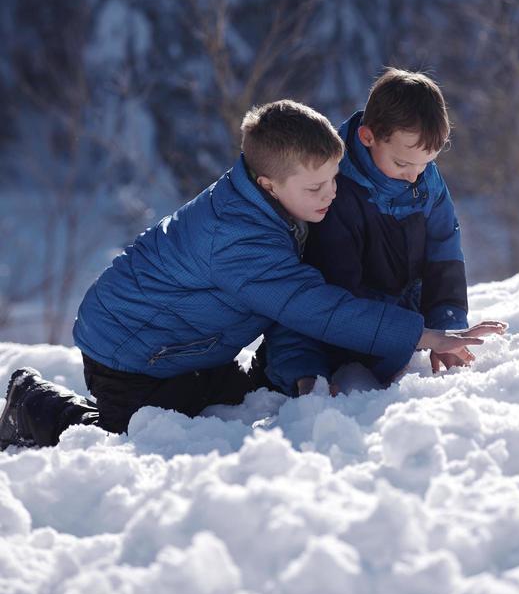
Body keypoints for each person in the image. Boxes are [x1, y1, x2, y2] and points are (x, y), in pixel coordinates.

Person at [0, 99, 489, 450]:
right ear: (269, 183)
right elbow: (311, 304)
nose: (331, 195)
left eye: (334, 181)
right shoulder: (240, 240)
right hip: (130, 352)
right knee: (137, 436)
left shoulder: (280, 205)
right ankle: (30, 401)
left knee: (241, 397)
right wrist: (421, 334)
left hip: (187, 344)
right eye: (316, 187)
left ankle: (200, 383)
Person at [263, 70, 507, 396]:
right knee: (298, 325)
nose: (414, 176)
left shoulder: (425, 181)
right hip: (342, 309)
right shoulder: (336, 189)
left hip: (399, 305)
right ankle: (306, 378)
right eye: (403, 164)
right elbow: (334, 293)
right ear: (367, 137)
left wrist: (446, 327)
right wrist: (405, 333)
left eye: (425, 164)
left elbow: (444, 253)